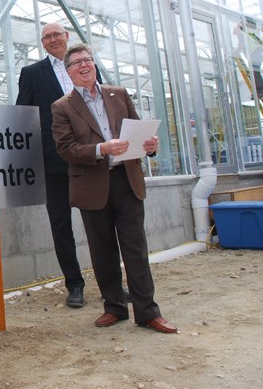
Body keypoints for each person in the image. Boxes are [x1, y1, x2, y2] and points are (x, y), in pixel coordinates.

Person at [51, 44, 177, 333]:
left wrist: (151, 146)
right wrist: (100, 148)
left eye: (88, 60)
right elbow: (66, 149)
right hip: (93, 185)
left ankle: (147, 312)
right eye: (77, 63)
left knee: (136, 249)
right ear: (68, 72)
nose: (84, 66)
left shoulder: (118, 94)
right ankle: (114, 307)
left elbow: (138, 130)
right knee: (102, 250)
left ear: (94, 64)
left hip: (126, 179)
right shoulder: (62, 107)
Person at [16, 22, 88, 308]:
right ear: (43, 43)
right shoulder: (33, 74)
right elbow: (22, 114)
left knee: (100, 222)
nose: (53, 39)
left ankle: (111, 281)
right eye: (47, 36)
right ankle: (74, 284)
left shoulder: (84, 68)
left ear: (67, 37)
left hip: (90, 158)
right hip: (53, 160)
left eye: (57, 34)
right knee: (60, 224)